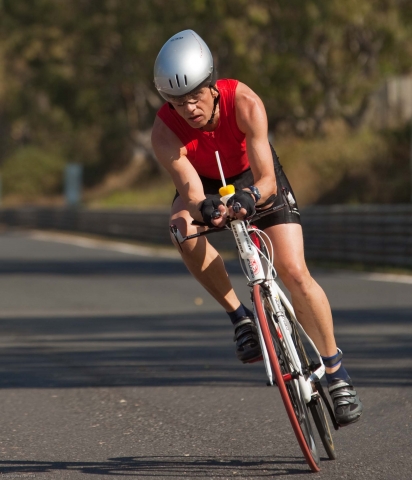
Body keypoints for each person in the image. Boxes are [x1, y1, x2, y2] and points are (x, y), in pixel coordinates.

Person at [151, 29, 363, 427]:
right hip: (205, 184)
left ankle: (336, 373)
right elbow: (190, 191)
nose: (189, 108)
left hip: (254, 177)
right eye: (178, 103)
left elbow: (267, 178)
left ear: (212, 86)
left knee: (294, 271)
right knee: (180, 226)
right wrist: (203, 206)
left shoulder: (245, 103)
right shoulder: (164, 132)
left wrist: (250, 199)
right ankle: (240, 318)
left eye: (195, 96)